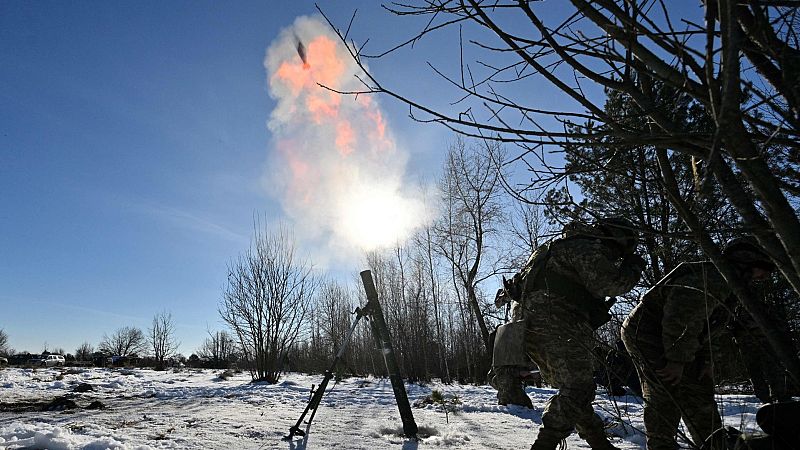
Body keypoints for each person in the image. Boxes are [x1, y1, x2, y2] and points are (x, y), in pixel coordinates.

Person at [495, 218, 646, 450]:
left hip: (528, 323)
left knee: (575, 389)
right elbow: (610, 284)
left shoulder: (551, 249)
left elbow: (514, 288)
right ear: (617, 236)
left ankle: (600, 443)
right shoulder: (584, 245)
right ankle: (544, 445)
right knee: (578, 387)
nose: (619, 254)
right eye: (626, 245)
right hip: (557, 320)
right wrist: (633, 267)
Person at [621, 237, 776, 450]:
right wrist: (676, 360)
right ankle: (662, 446)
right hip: (648, 334)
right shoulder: (712, 279)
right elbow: (680, 320)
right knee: (667, 389)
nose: (764, 277)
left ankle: (713, 444)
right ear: (747, 263)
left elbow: (708, 328)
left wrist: (705, 360)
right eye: (763, 269)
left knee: (698, 389)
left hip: (674, 337)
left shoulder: (727, 283)